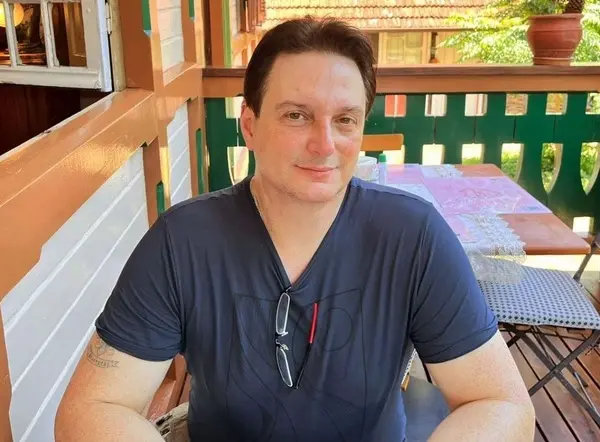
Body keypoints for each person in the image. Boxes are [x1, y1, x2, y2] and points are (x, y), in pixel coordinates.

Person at [55, 16, 535, 442]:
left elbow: (500, 402)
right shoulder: (183, 242)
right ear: (249, 125)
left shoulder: (414, 238)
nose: (324, 144)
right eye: (296, 115)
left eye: (344, 119)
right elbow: (93, 407)